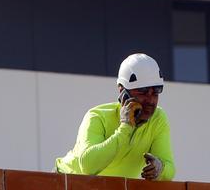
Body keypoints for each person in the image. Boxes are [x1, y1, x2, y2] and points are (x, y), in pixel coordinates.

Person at [55, 53, 175, 181]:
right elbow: (87, 167)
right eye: (143, 91)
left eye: (155, 92)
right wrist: (125, 128)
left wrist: (160, 169)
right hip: (64, 182)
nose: (150, 100)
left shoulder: (158, 119)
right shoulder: (97, 116)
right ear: (122, 91)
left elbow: (169, 168)